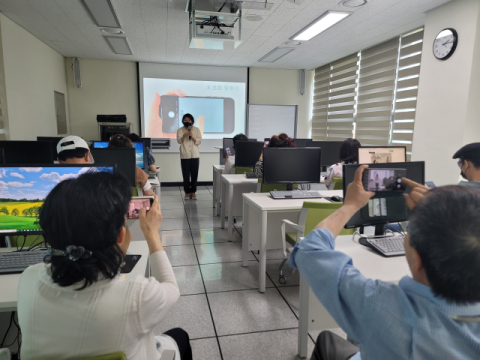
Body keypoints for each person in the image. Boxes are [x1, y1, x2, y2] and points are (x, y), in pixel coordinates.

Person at [290, 165, 480, 360]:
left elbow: (310, 249)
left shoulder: (381, 308)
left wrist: (350, 205)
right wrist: (450, 213)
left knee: (326, 341)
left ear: (418, 260)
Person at [17, 172, 192, 360]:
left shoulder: (29, 279)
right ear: (120, 236)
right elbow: (171, 288)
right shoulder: (137, 296)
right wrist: (151, 233)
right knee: (179, 336)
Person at [177, 113, 202, 200]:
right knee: (186, 175)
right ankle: (187, 192)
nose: (187, 121)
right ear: (183, 121)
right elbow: (179, 141)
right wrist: (184, 135)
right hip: (185, 156)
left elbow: (199, 141)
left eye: (189, 120)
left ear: (192, 121)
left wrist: (192, 136)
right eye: (185, 120)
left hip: (195, 155)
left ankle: (193, 192)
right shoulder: (180, 130)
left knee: (194, 175)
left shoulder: (196, 130)